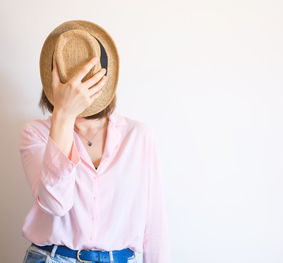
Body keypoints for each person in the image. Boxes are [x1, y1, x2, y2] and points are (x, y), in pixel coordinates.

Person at [19, 51, 170, 262]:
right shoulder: (36, 133)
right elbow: (56, 203)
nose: (79, 86)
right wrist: (63, 115)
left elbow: (154, 225)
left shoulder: (139, 135)